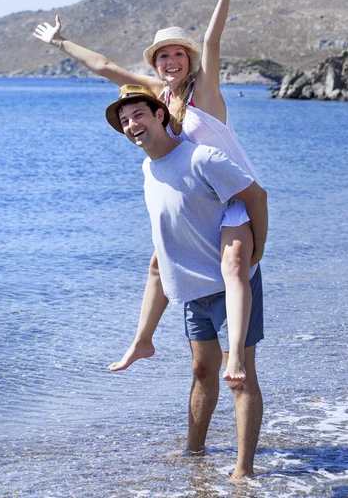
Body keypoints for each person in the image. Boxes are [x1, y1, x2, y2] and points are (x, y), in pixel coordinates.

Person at [33, 0, 263, 382]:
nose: (170, 62)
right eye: (162, 57)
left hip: (230, 192)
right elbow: (107, 67)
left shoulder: (205, 91)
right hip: (198, 196)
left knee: (234, 269)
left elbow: (214, 39)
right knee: (158, 265)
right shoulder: (160, 97)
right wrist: (61, 43)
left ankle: (234, 356)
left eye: (177, 55)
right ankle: (143, 340)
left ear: (188, 60)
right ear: (156, 64)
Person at [104, 84, 268, 479]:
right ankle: (194, 450)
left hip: (232, 289)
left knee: (239, 377)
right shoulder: (148, 167)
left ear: (159, 114)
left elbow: (257, 196)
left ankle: (243, 470)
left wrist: (256, 251)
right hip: (193, 289)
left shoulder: (202, 158)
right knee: (201, 371)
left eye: (138, 114)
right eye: (124, 121)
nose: (131, 125)